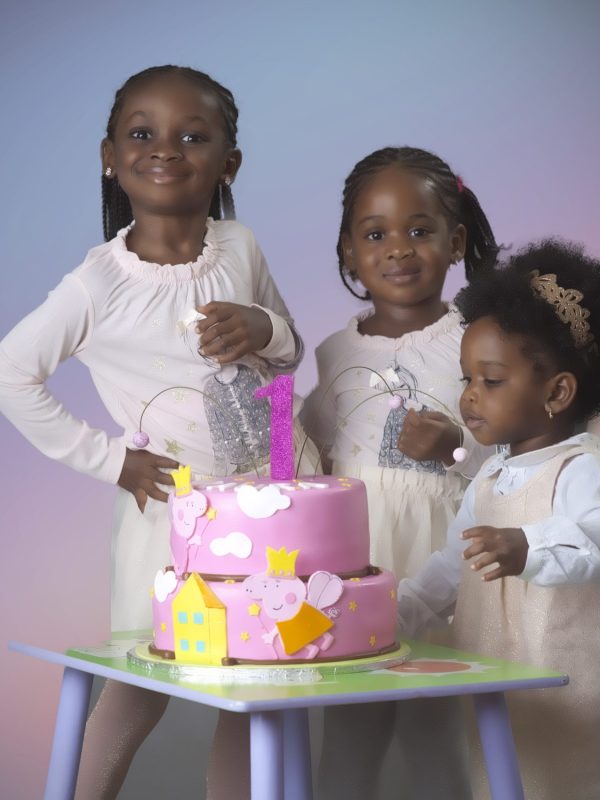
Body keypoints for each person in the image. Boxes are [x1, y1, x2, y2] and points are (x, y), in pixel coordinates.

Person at [0, 65, 315, 800]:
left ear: (227, 163)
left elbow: (289, 352)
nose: (165, 149)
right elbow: (11, 373)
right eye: (142, 134)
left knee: (261, 672)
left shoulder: (239, 246)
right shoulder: (98, 285)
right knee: (149, 671)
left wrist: (260, 326)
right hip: (177, 513)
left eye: (192, 136)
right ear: (110, 155)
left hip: (273, 503)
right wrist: (114, 462)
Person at [302, 146, 499, 799]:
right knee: (350, 737)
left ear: (455, 241)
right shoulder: (336, 354)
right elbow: (311, 457)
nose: (398, 248)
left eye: (420, 231)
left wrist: (456, 447)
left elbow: (516, 464)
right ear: (349, 252)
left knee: (437, 732)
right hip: (359, 573)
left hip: (442, 568)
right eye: (376, 234)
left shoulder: (476, 340)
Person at [397, 239, 600, 800]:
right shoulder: (489, 476)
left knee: (559, 784)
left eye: (490, 381)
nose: (469, 397)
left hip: (566, 685)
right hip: (493, 680)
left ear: (557, 392)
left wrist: (529, 547)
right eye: (466, 379)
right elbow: (453, 562)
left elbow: (593, 545)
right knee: (500, 779)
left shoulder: (579, 470)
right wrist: (396, 616)